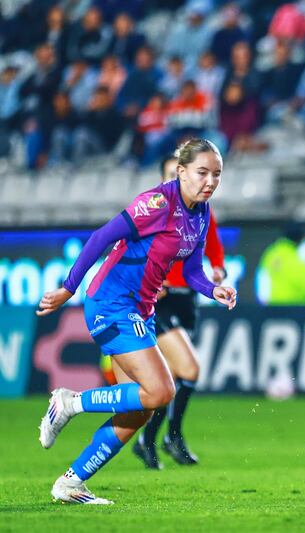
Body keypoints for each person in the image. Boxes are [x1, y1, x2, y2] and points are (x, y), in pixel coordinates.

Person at [37, 139, 237, 505]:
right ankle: (69, 403)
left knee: (138, 410)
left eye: (217, 174)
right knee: (162, 391)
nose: (210, 181)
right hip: (111, 302)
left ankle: (71, 483)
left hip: (140, 309)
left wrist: (213, 289)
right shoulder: (158, 203)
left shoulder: (201, 213)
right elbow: (101, 237)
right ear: (181, 172)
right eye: (202, 172)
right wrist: (68, 288)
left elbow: (191, 270)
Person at [130, 154, 227, 470]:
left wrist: (219, 268)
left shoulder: (201, 210)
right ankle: (172, 436)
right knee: (190, 369)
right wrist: (146, 279)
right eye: (172, 174)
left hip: (187, 299)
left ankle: (147, 441)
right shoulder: (155, 210)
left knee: (171, 378)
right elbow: (129, 248)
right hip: (160, 301)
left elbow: (213, 242)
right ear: (163, 179)